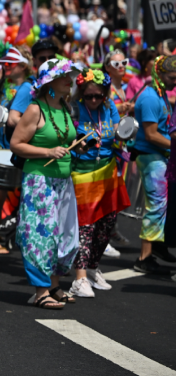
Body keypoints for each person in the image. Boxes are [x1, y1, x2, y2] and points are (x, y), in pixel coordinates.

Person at [10, 59, 83, 309]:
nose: (69, 79)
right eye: (63, 76)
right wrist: (47, 152)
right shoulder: (35, 109)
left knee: (64, 235)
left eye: (69, 75)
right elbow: (16, 144)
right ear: (49, 82)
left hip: (63, 180)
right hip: (39, 180)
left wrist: (77, 145)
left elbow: (63, 137)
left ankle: (53, 285)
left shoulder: (65, 106)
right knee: (40, 234)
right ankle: (41, 290)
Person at [68, 68, 130, 297]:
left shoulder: (109, 106)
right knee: (85, 227)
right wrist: (79, 144)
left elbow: (115, 132)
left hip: (107, 171)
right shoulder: (74, 109)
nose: (94, 100)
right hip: (81, 174)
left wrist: (122, 134)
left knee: (106, 225)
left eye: (98, 96)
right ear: (81, 93)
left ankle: (93, 268)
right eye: (89, 96)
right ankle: (79, 277)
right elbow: (67, 139)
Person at [0, 46, 34, 259]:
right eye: (4, 64)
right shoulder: (2, 84)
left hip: (23, 149)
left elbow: (18, 118)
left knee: (26, 199)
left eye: (9, 64)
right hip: (2, 147)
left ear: (23, 66)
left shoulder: (29, 87)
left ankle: (24, 244)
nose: (5, 67)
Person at [132, 55, 176, 274]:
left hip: (159, 156)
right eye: (171, 77)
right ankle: (144, 258)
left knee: (162, 205)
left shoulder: (160, 94)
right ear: (159, 74)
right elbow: (151, 135)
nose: (174, 82)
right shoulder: (150, 97)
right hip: (150, 156)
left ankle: (157, 247)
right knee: (156, 205)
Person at [104, 50, 134, 116]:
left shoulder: (127, 87)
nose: (120, 66)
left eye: (123, 63)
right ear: (107, 68)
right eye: (116, 64)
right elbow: (101, 113)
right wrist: (117, 109)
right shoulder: (106, 88)